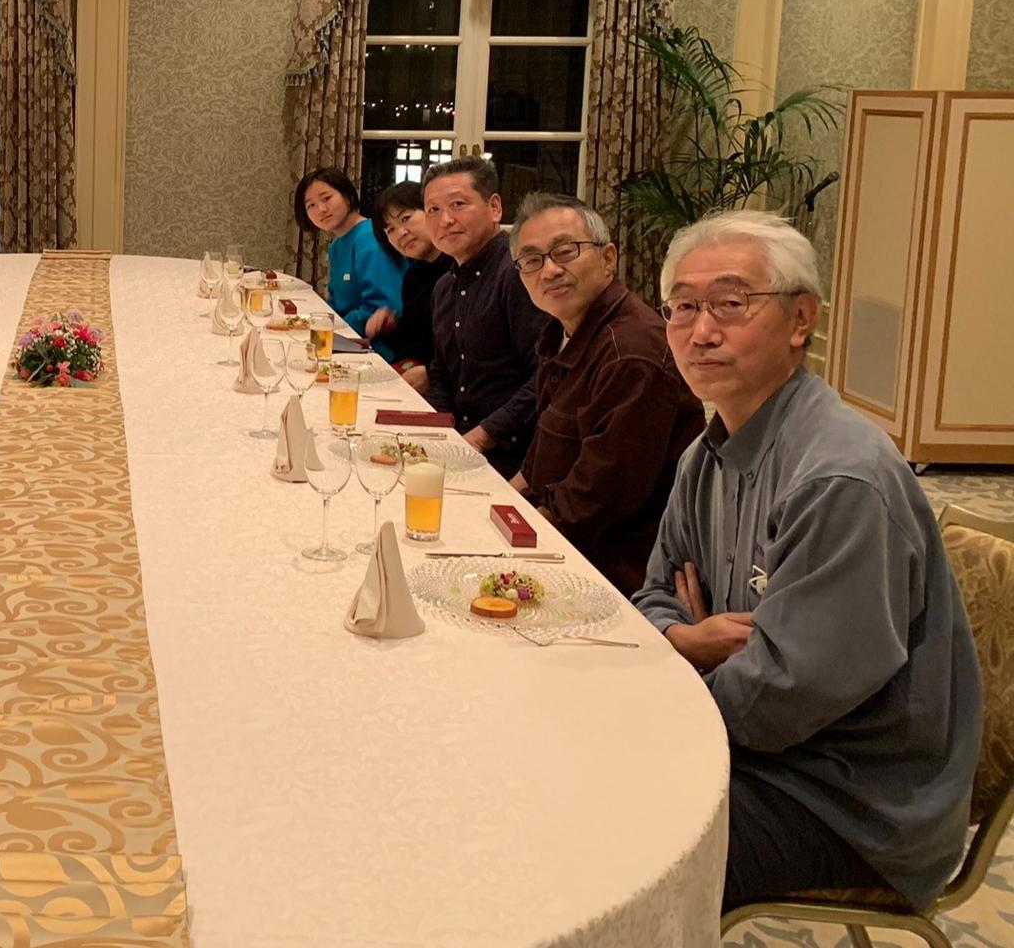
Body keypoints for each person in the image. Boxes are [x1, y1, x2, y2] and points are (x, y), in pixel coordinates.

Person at [632, 210, 980, 913]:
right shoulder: (707, 454)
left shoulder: (837, 480)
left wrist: (650, 717)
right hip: (771, 750)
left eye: (731, 304)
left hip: (850, 801)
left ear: (800, 320)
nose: (702, 331)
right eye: (683, 307)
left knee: (612, 836)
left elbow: (780, 698)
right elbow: (656, 593)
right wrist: (686, 638)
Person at [507, 193, 702, 595]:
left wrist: (507, 549)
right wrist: (496, 505)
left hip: (613, 575)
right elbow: (543, 454)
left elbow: (594, 500)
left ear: (608, 257)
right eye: (532, 260)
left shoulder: (631, 352)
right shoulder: (564, 332)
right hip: (567, 541)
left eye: (565, 251)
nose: (550, 270)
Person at [419, 157, 554, 478]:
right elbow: (441, 374)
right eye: (433, 209)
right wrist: (434, 434)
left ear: (495, 208)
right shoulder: (444, 286)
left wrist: (480, 437)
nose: (445, 220)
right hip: (461, 445)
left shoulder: (519, 274)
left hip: (516, 459)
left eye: (458, 204)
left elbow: (546, 376)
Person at [294, 167, 405, 357]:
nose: (321, 210)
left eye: (326, 198)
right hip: (345, 339)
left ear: (347, 196)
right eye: (311, 205)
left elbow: (385, 307)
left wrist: (330, 327)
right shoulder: (337, 246)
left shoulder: (370, 240)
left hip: (376, 349)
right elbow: (337, 301)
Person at [365, 181, 450, 394]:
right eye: (390, 229)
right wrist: (389, 327)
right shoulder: (415, 275)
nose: (401, 233)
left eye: (406, 218)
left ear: (431, 211)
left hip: (447, 391)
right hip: (416, 380)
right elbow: (415, 339)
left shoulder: (458, 268)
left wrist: (431, 373)